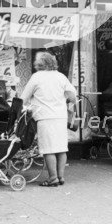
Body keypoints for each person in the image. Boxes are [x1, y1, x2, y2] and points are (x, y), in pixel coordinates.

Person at [21, 51, 77, 187]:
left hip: (45, 116)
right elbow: (73, 96)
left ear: (39, 64)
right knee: (61, 148)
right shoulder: (61, 77)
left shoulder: (36, 77)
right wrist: (63, 100)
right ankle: (61, 177)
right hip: (61, 116)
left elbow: (24, 98)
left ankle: (52, 178)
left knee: (48, 149)